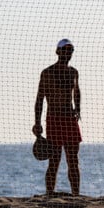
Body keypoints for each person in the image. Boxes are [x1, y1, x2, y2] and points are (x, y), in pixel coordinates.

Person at [33, 39, 82, 196]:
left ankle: (76, 194)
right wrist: (37, 123)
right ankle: (49, 192)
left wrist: (78, 108)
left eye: (70, 50)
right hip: (54, 118)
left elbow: (77, 91)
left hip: (69, 118)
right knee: (54, 161)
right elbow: (40, 98)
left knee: (73, 160)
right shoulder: (47, 72)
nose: (67, 53)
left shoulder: (73, 72)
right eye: (65, 50)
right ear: (57, 51)